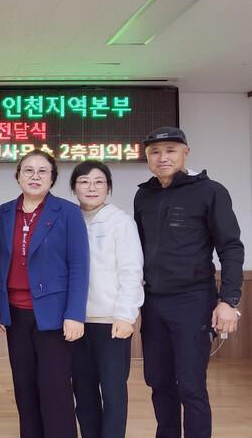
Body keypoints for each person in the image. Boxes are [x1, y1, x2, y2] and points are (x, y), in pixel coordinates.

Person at [135, 126, 244, 438]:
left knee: (191, 386)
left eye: (170, 150)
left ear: (186, 152)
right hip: (153, 303)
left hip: (193, 302)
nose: (162, 157)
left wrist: (229, 300)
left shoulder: (210, 191)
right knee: (159, 382)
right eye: (155, 152)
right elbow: (138, 249)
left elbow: (231, 247)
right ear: (147, 158)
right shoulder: (144, 195)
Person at [0, 149, 89, 438]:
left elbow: (80, 265)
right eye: (28, 170)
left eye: (43, 171)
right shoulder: (4, 212)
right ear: (18, 176)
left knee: (55, 390)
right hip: (15, 314)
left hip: (54, 316)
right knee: (25, 388)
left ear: (52, 178)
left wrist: (75, 314)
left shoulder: (68, 212)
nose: (35, 176)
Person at [69, 160, 144, 438]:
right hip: (76, 322)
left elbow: (131, 270)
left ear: (108, 188)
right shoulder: (69, 219)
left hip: (111, 322)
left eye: (99, 182)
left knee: (113, 392)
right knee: (83, 391)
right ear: (74, 188)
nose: (91, 187)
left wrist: (126, 315)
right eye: (84, 181)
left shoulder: (120, 222)